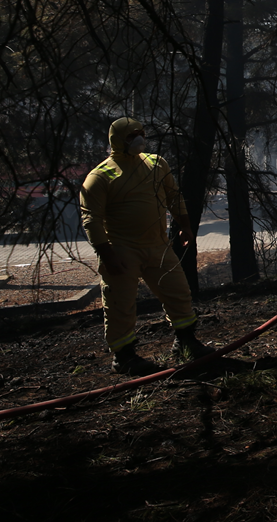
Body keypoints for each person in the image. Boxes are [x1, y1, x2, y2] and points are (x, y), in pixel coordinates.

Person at [80, 117, 214, 375]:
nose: (138, 139)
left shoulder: (155, 164)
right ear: (117, 140)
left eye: (140, 133)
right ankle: (125, 357)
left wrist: (185, 226)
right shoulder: (100, 177)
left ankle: (185, 341)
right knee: (120, 303)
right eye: (131, 136)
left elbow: (174, 196)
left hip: (158, 245)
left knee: (178, 292)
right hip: (122, 250)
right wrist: (107, 255)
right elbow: (92, 221)